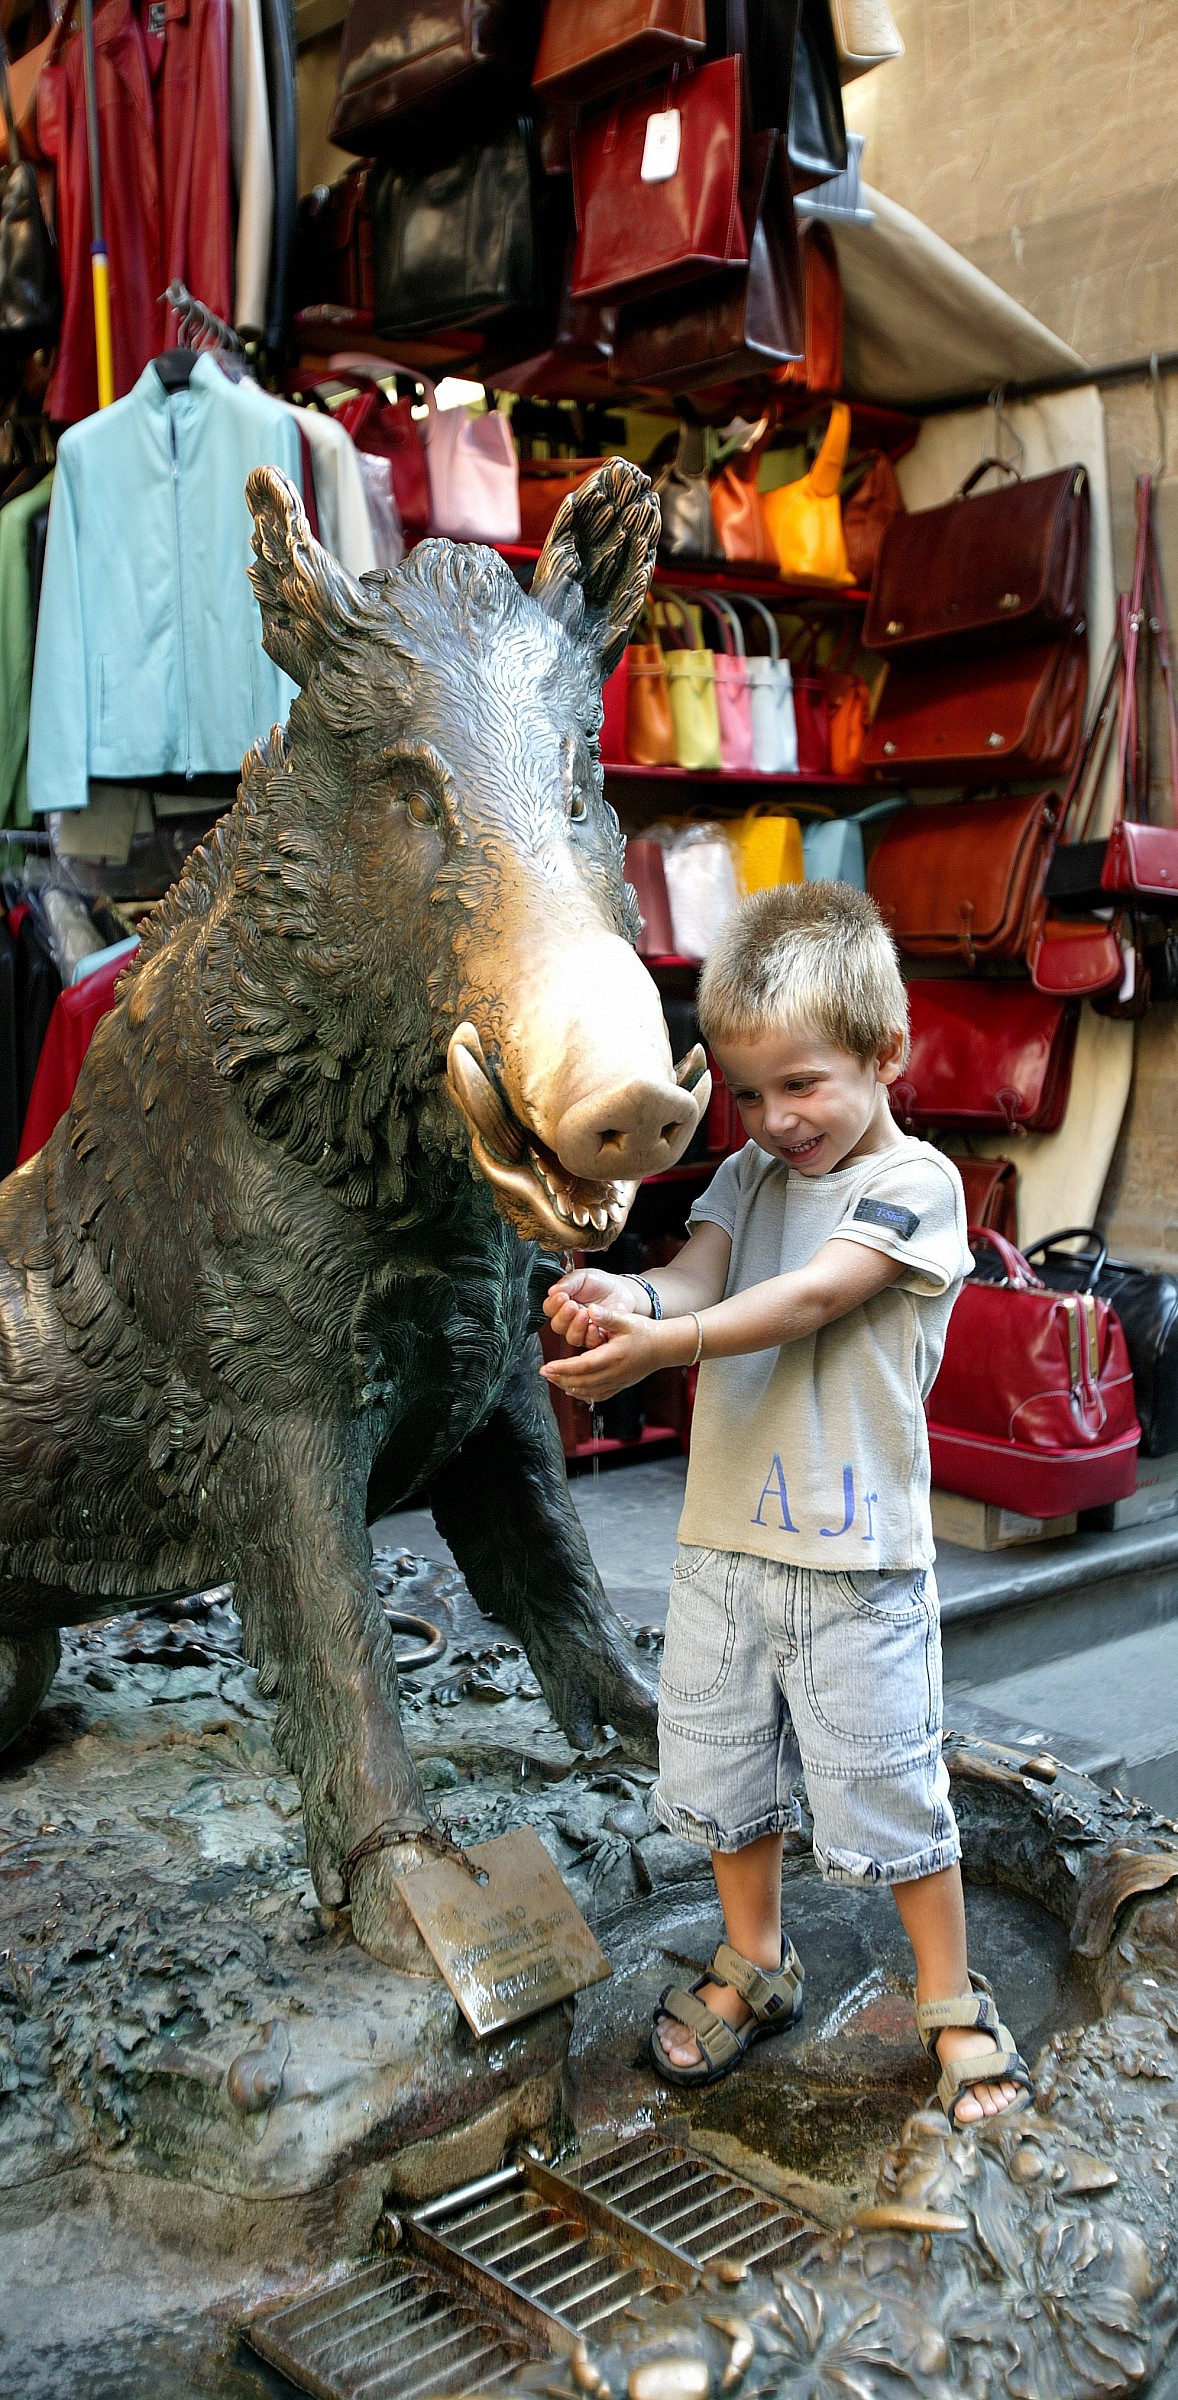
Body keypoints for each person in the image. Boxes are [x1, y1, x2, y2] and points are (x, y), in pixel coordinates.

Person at [541, 882, 1033, 2128]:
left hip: (855, 1559)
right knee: (720, 1771)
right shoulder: (747, 1178)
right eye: (749, 1094)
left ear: (884, 1052)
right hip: (722, 1545)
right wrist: (628, 1299)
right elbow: (697, 1271)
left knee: (891, 1784)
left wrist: (669, 1344)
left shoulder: (917, 1186)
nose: (774, 1120)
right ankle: (754, 1961)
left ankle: (947, 1999)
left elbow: (813, 1295)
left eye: (800, 1084)